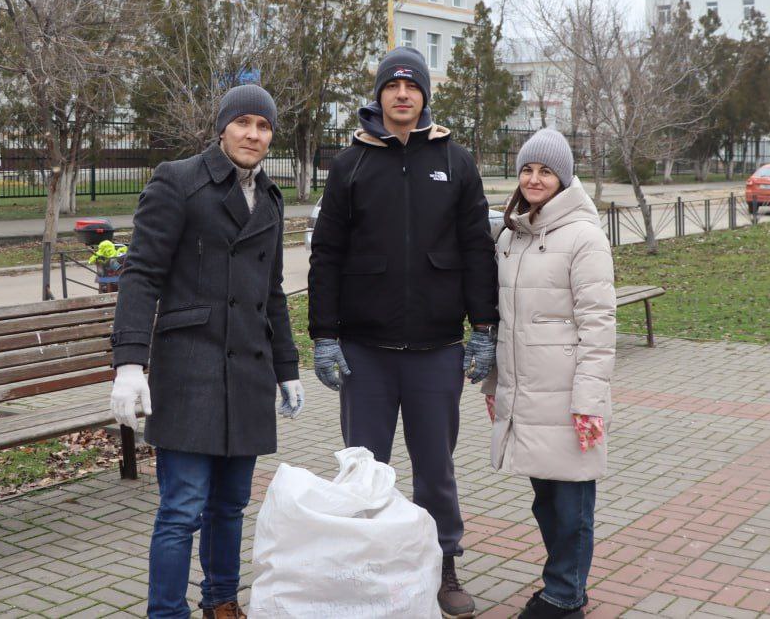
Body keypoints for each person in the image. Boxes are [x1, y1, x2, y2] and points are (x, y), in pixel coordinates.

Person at [308, 47, 499, 619]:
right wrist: (324, 334)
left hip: (436, 352)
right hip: (365, 354)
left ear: (424, 96)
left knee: (435, 473)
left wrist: (483, 326)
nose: (402, 94)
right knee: (362, 473)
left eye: (411, 86)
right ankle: (364, 574)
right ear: (379, 95)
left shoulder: (455, 162)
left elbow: (475, 250)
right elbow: (327, 254)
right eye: (392, 85)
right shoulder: (351, 164)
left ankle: (443, 570)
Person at [109, 84, 304, 619]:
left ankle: (222, 602)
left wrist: (286, 368)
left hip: (246, 371)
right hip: (189, 369)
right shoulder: (178, 181)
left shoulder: (269, 197)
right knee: (182, 510)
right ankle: (167, 613)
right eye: (244, 123)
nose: (254, 135)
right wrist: (130, 363)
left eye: (264, 127)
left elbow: (271, 291)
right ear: (222, 127)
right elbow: (141, 273)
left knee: (231, 506)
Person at [483, 129, 615, 619]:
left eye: (546, 171)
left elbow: (599, 324)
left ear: (564, 178)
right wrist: (494, 383)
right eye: (527, 170)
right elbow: (502, 317)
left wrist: (588, 400)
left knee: (572, 505)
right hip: (525, 391)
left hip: (568, 395)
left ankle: (564, 595)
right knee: (545, 500)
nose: (535, 179)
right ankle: (564, 586)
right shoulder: (512, 234)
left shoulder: (584, 236)